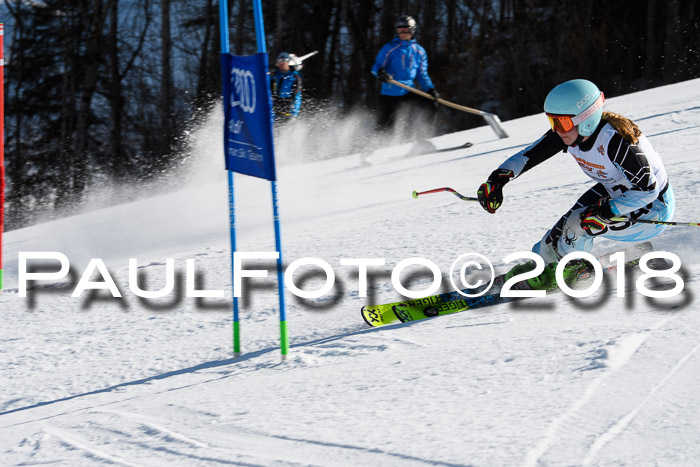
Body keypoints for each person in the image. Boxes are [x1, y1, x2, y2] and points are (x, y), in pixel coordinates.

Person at [476, 79, 675, 289]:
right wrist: (497, 180)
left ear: (586, 119)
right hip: (615, 192)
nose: (557, 130)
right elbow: (529, 156)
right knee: (549, 243)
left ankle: (572, 271)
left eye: (562, 122)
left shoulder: (616, 142)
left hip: (653, 211)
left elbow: (647, 190)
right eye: (553, 122)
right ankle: (541, 267)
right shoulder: (570, 134)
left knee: (577, 225)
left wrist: (607, 211)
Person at [371, 15, 441, 145]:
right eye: (400, 30)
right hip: (390, 92)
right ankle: (372, 151)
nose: (403, 33)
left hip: (407, 90)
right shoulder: (390, 48)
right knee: (385, 125)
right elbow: (376, 67)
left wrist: (430, 89)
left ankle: (422, 140)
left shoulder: (419, 51)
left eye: (406, 30)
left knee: (431, 104)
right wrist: (381, 73)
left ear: (413, 30)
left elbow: (422, 74)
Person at [270, 52, 302, 124]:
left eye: (283, 61)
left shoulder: (295, 77)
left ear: (288, 62)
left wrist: (294, 114)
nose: (281, 63)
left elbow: (297, 97)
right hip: (274, 108)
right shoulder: (273, 76)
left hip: (287, 109)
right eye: (279, 61)